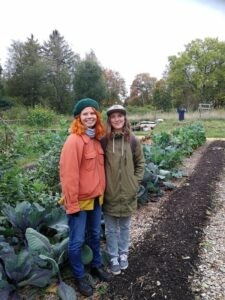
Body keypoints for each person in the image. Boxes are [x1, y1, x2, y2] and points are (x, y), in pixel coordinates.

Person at [59, 98, 111, 297]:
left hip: (95, 199)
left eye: (92, 113)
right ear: (78, 118)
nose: (89, 116)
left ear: (97, 116)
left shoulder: (96, 139)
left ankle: (96, 266)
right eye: (85, 114)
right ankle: (79, 276)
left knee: (95, 235)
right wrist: (71, 204)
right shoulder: (74, 140)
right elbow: (68, 176)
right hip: (79, 202)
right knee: (77, 241)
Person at [102, 104, 145, 275]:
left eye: (120, 116)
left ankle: (123, 254)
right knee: (110, 229)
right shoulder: (104, 141)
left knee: (125, 227)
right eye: (113, 116)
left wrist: (135, 182)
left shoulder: (133, 140)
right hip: (109, 193)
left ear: (125, 118)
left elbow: (140, 163)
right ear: (109, 120)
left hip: (128, 192)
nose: (117, 119)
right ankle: (113, 256)